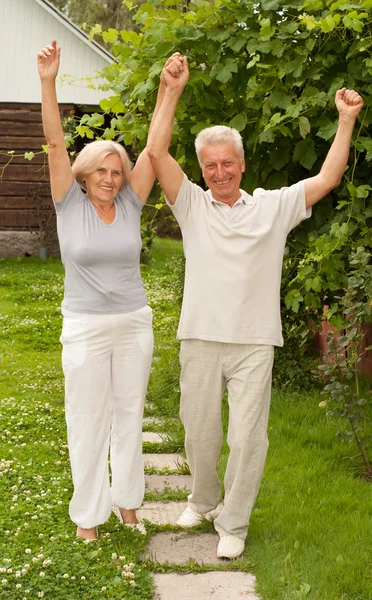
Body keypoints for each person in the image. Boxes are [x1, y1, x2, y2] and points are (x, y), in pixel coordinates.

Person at [147, 56, 364, 558]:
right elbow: (156, 151)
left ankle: (234, 523)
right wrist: (170, 90)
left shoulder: (272, 205)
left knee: (247, 439)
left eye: (228, 162)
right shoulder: (192, 205)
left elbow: (328, 177)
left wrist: (346, 120)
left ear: (241, 164)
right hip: (200, 336)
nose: (220, 172)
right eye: (210, 165)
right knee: (199, 432)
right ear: (202, 169)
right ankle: (202, 500)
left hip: (253, 343)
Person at [37, 40, 183, 541]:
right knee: (87, 419)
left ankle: (127, 505)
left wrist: (170, 91)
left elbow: (153, 149)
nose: (109, 177)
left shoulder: (130, 204)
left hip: (133, 322)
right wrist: (49, 82)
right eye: (100, 169)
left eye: (116, 172)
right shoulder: (67, 203)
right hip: (84, 327)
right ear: (84, 173)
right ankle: (89, 516)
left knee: (128, 414)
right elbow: (56, 143)